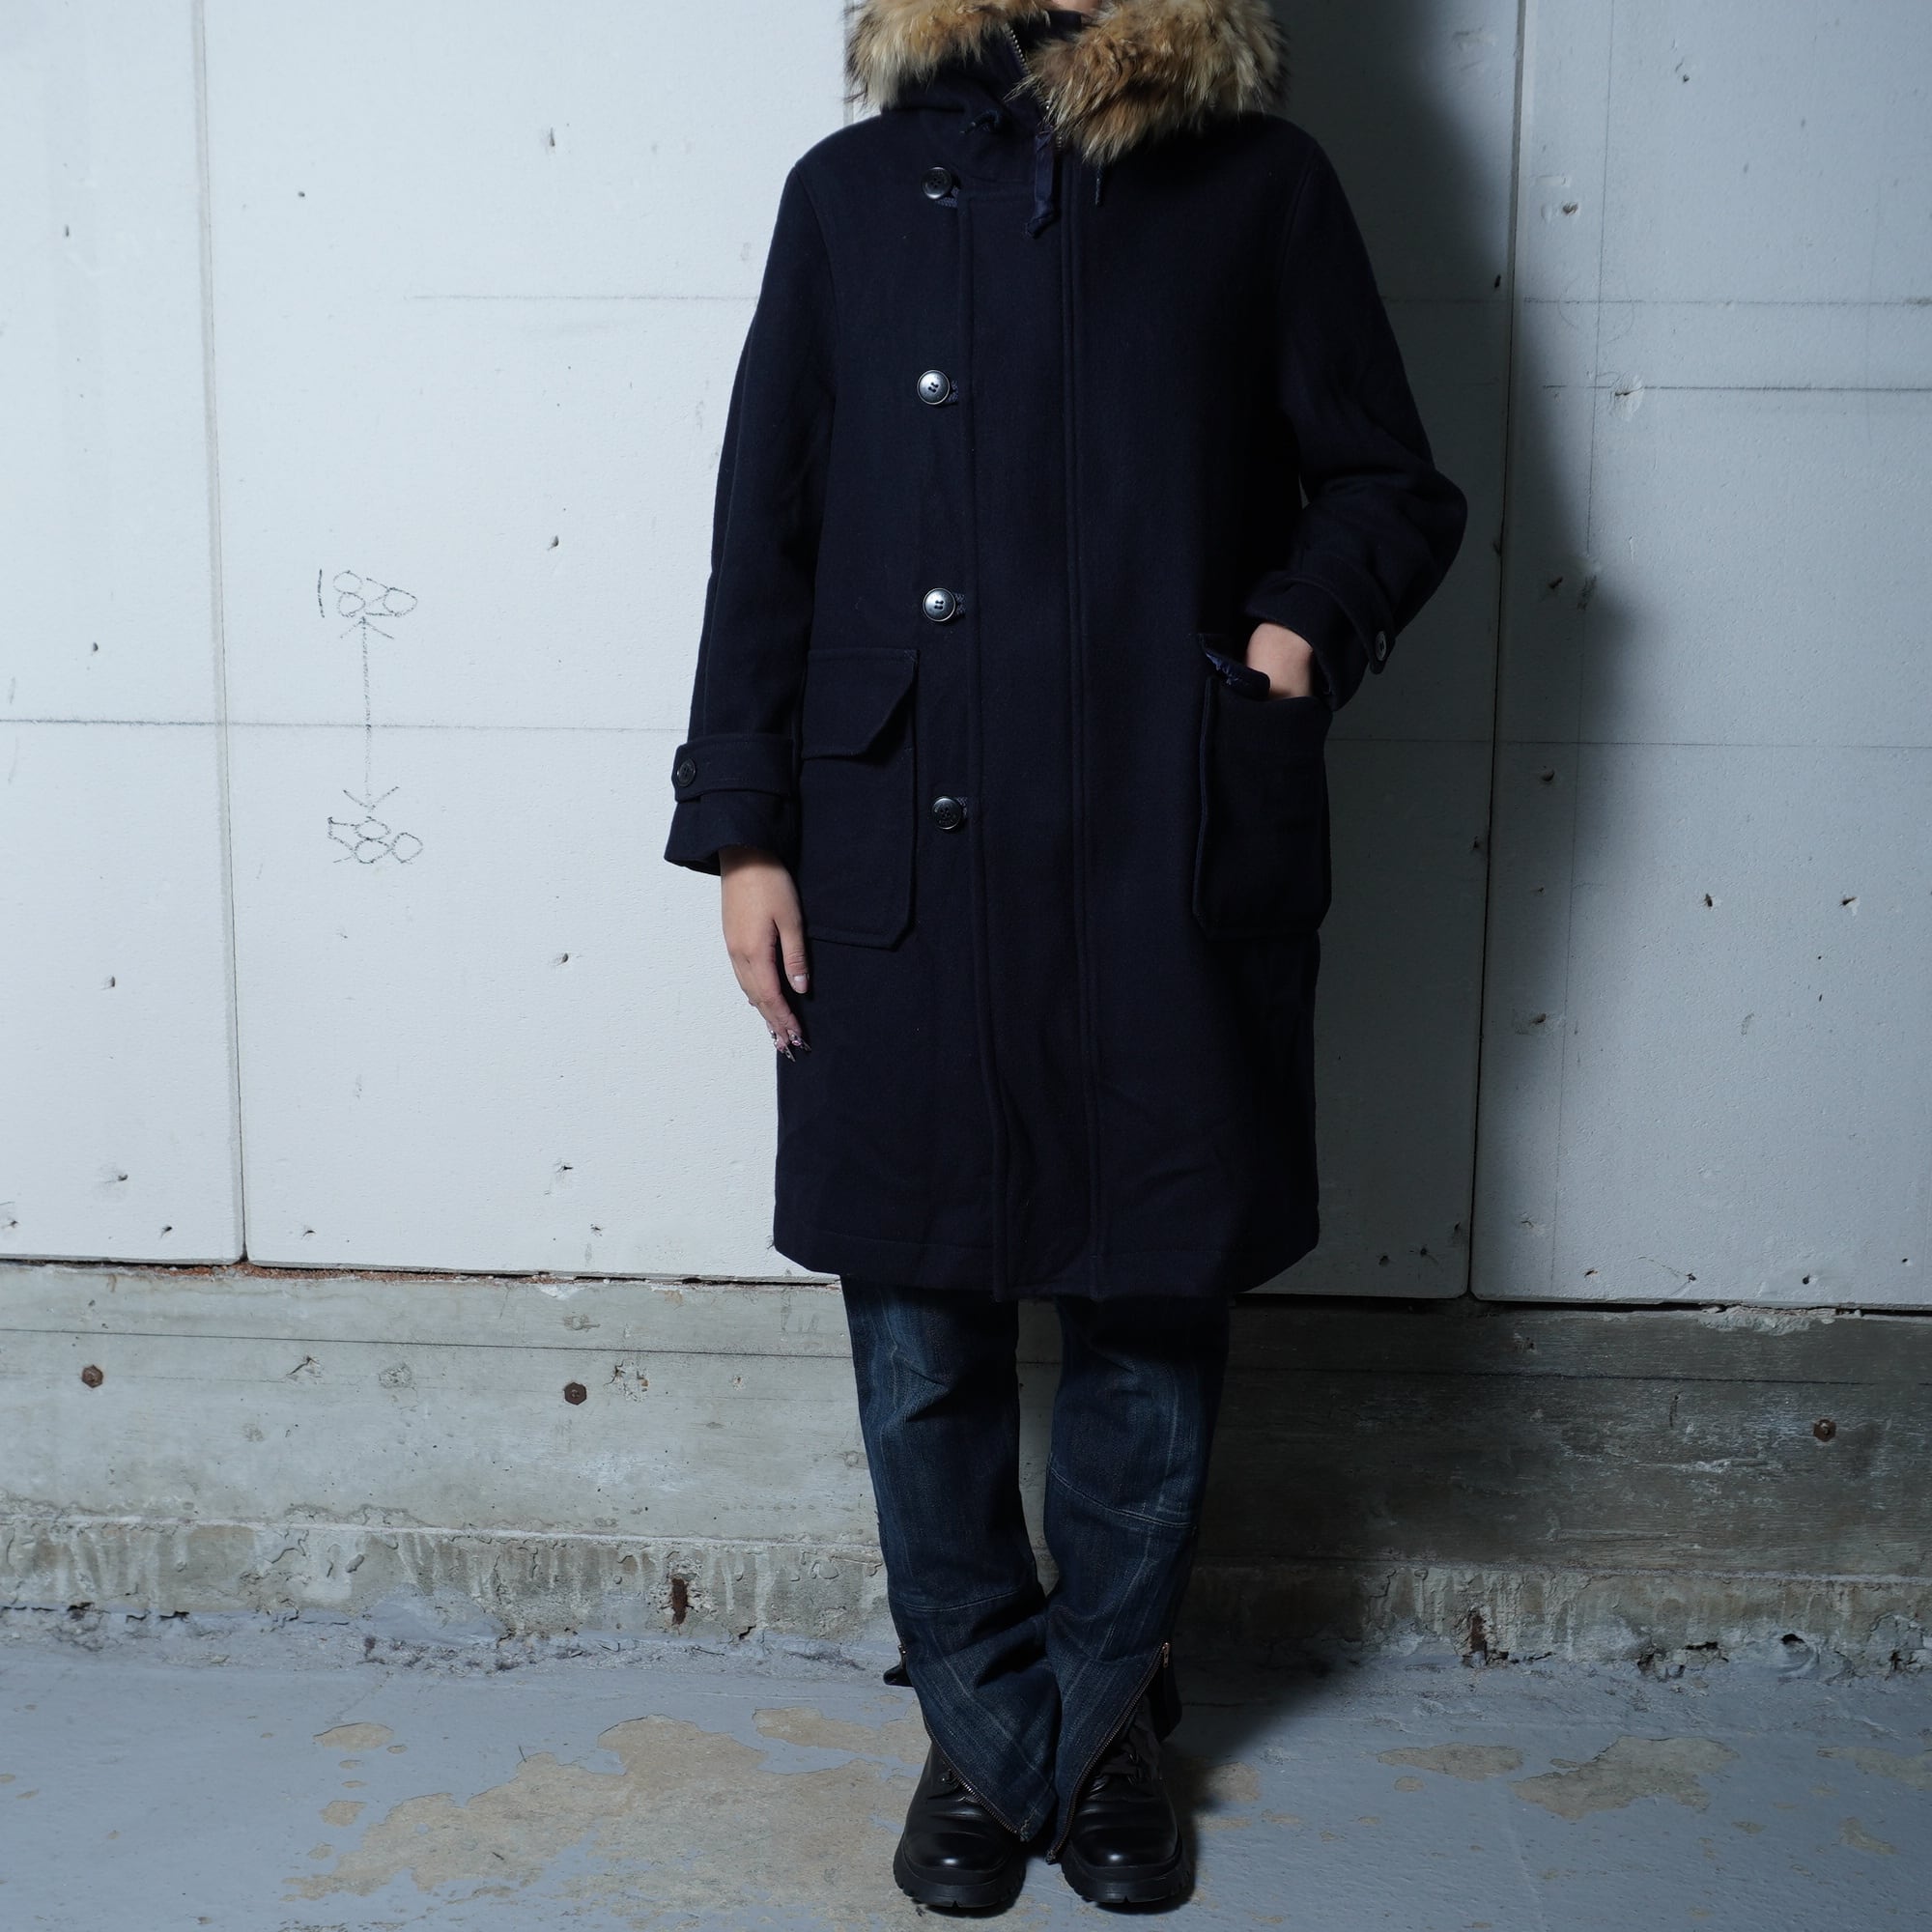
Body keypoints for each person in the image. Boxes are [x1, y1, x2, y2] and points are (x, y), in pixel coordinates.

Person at [664, 0, 1467, 1908]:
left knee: (1149, 1294)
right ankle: (989, 1718)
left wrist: (1286, 643)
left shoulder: (1261, 188)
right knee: (919, 1316)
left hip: (1156, 830)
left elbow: (1390, 484)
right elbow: (765, 530)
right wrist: (745, 827)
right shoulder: (849, 195)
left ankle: (1089, 1718)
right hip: (898, 833)